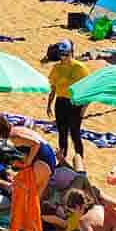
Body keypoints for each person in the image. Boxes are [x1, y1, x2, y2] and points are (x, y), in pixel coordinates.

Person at [0, 114, 56, 231]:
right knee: (35, 198)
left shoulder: (14, 136)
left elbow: (35, 144)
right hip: (48, 160)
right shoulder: (16, 129)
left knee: (29, 197)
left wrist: (28, 162)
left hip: (42, 162)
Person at [44, 39, 90, 167]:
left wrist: (84, 108)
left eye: (66, 54)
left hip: (75, 103)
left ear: (71, 53)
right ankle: (62, 160)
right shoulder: (56, 68)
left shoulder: (80, 68)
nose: (64, 57)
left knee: (75, 133)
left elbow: (88, 89)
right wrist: (49, 104)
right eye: (62, 54)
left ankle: (80, 162)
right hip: (60, 102)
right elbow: (53, 87)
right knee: (62, 133)